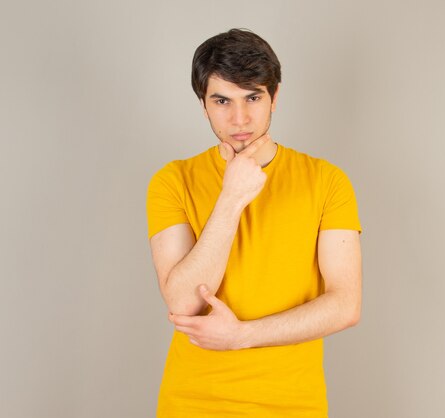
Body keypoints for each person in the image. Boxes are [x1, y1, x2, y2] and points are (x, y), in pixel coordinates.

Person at [146, 28, 362, 417]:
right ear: (203, 105)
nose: (240, 118)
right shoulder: (172, 181)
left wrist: (242, 336)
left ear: (274, 98)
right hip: (192, 402)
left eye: (253, 97)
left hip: (292, 404)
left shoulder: (327, 181)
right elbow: (182, 301)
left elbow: (345, 305)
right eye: (222, 100)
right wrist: (231, 197)